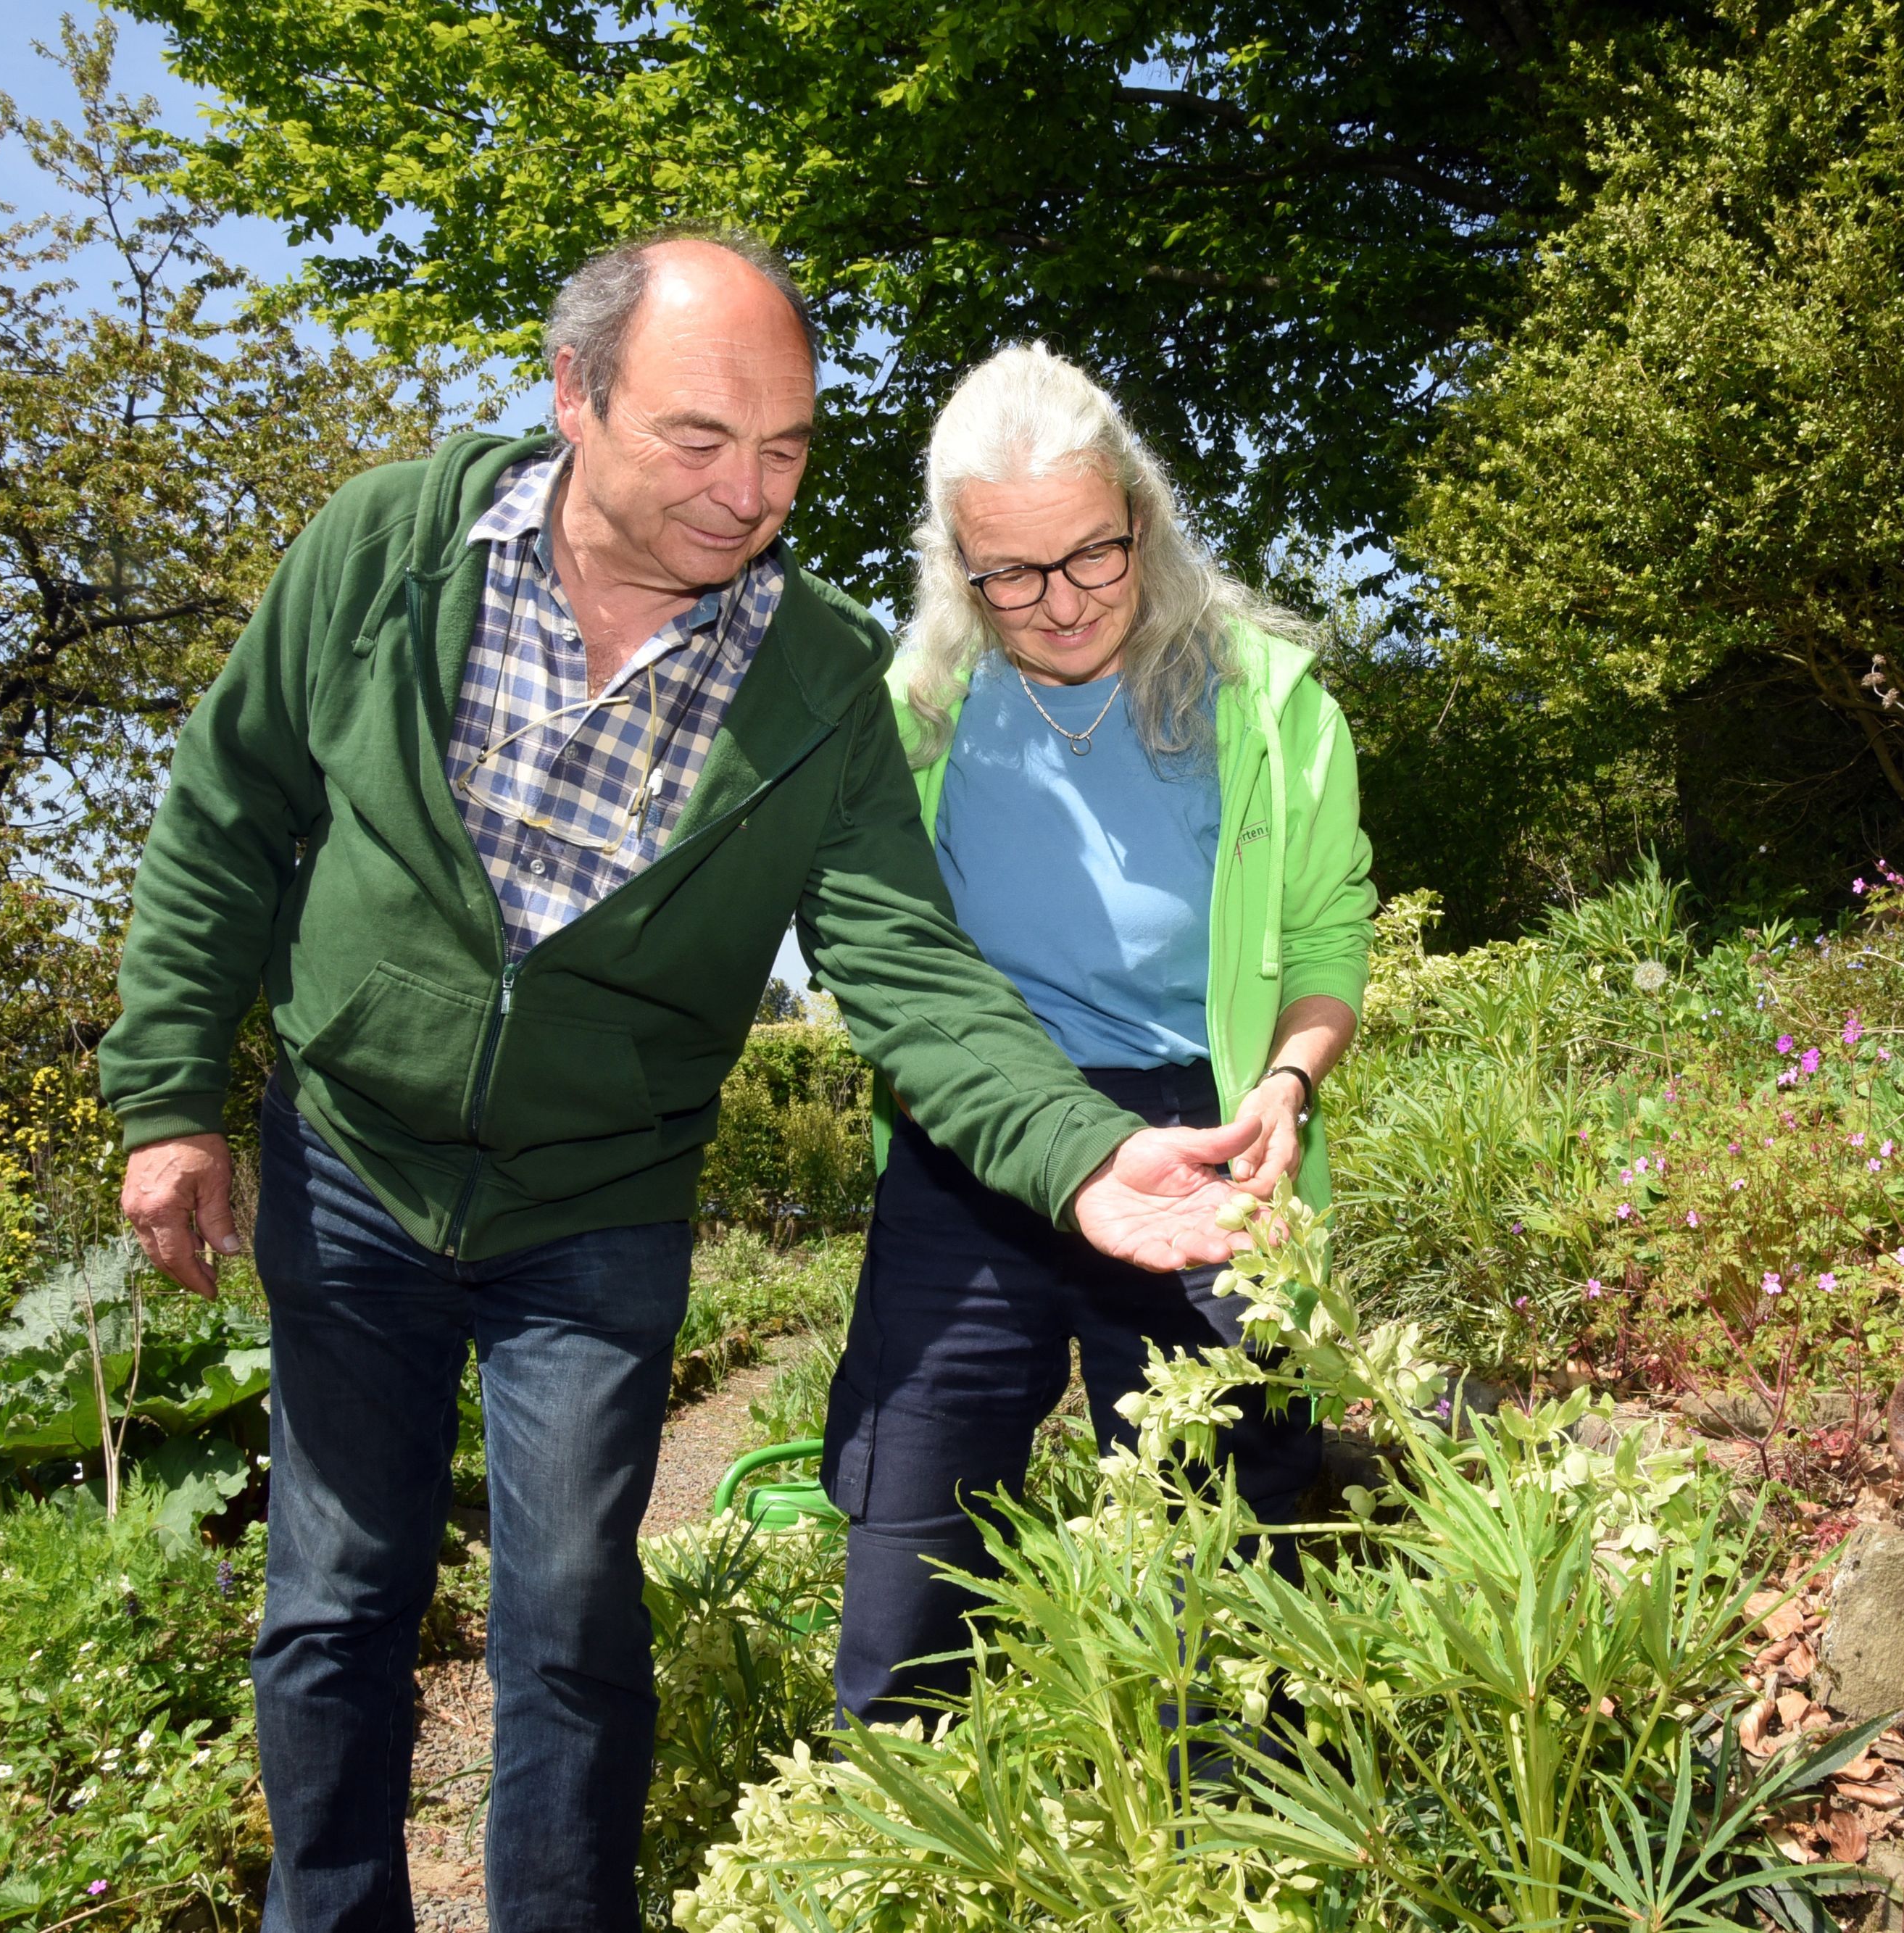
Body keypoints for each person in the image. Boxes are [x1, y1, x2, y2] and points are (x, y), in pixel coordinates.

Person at [100, 234, 1265, 1933]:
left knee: (569, 1603)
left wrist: (1082, 1152)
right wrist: (168, 1098)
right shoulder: (389, 547)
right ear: (575, 397)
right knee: (336, 1593)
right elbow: (225, 810)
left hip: (600, 1199)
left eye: (787, 448)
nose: (749, 492)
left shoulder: (816, 684)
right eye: (700, 439)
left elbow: (909, 966)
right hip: (353, 1160)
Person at [823, 344, 1376, 1725]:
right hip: (977, 1135)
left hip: (1203, 1136)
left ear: (1146, 518)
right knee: (913, 1559)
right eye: (1007, 575)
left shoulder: (1268, 700)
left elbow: (1325, 944)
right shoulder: (915, 712)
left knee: (1224, 1578)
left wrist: (1291, 1084)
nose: (1058, 605)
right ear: (955, 566)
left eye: (1091, 558)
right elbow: (877, 952)